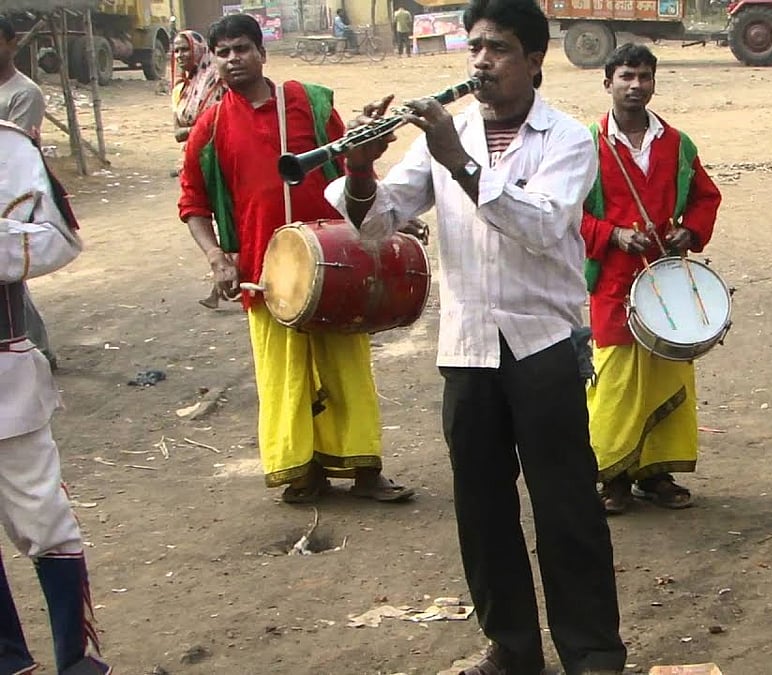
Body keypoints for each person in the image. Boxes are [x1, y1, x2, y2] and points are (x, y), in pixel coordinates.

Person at [327, 0, 628, 670]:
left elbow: (542, 225)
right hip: (467, 348)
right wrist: (360, 168)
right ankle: (512, 648)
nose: (482, 61)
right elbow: (375, 226)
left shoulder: (567, 139)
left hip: (544, 345)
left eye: (499, 48)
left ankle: (593, 653)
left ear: (534, 60)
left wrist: (459, 163)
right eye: (475, 48)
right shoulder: (451, 131)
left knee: (566, 507)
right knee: (482, 509)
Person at [177, 14, 413, 504]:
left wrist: (386, 216)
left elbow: (352, 165)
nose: (233, 59)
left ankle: (364, 470)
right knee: (283, 376)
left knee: (347, 367)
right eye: (223, 52)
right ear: (213, 61)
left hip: (336, 264)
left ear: (262, 53)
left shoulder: (308, 102)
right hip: (267, 274)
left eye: (242, 48)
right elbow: (192, 203)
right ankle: (302, 472)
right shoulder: (210, 126)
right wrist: (217, 258)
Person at [581, 43, 722, 515]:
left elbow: (705, 197)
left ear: (654, 83)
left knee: (667, 377)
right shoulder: (586, 145)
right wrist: (612, 234)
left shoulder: (678, 144)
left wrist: (691, 230)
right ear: (608, 83)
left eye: (644, 76)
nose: (635, 85)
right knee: (614, 383)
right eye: (626, 76)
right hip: (613, 282)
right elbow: (564, 212)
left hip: (667, 280)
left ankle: (656, 474)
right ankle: (612, 476)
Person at [0, 121, 110, 675]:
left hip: (4, 378)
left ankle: (76, 662)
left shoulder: (8, 147)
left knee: (44, 519)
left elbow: (60, 238)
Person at [0, 17, 57, 373]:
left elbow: (13, 150)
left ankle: (37, 350)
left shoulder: (24, 93)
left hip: (11, 197)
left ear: (12, 43)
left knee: (10, 277)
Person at [169, 29, 230, 310]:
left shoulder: (219, 81)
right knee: (202, 216)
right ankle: (222, 280)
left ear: (199, 50)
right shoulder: (181, 89)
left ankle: (223, 282)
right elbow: (177, 132)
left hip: (221, 158)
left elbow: (226, 121)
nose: (180, 55)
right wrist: (200, 128)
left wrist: (195, 130)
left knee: (227, 220)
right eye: (176, 50)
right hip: (195, 161)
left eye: (185, 49)